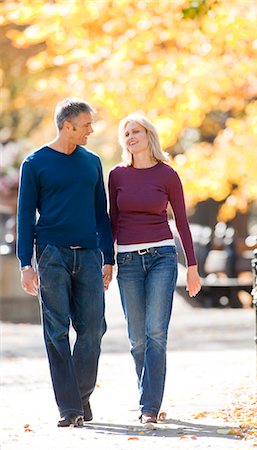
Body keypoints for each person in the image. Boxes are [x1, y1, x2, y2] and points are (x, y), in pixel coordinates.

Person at [17, 98, 114, 427]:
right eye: (86, 124)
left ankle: (79, 396)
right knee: (56, 331)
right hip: (51, 254)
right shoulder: (35, 163)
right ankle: (70, 409)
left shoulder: (93, 163)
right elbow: (25, 215)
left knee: (94, 329)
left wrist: (108, 257)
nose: (91, 130)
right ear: (67, 126)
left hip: (88, 254)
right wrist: (25, 263)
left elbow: (101, 213)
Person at [108, 113, 201, 426]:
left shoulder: (167, 174)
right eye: (126, 134)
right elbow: (112, 221)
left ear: (149, 135)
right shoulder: (117, 175)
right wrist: (108, 261)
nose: (131, 137)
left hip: (162, 256)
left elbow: (182, 223)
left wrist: (192, 266)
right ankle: (149, 397)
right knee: (137, 339)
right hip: (129, 261)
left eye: (136, 131)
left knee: (156, 333)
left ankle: (149, 406)